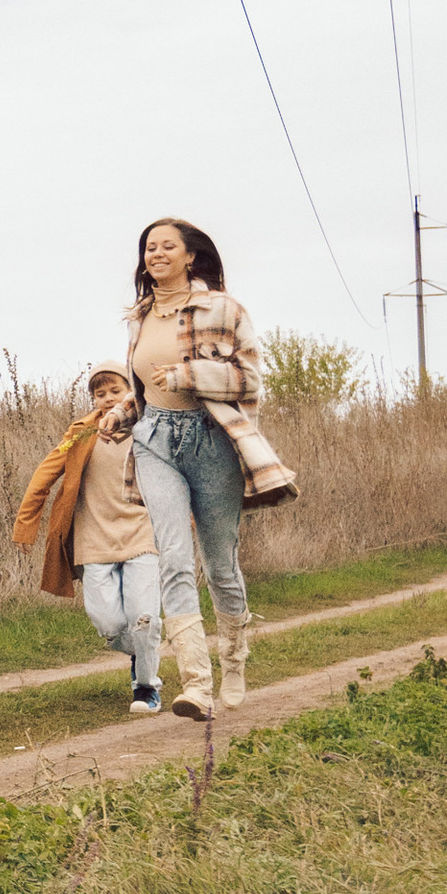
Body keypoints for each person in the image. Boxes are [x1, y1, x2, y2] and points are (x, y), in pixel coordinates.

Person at [100, 219, 297, 720]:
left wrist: (188, 374)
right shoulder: (140, 316)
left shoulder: (224, 309)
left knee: (220, 564)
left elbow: (249, 378)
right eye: (150, 247)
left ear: (191, 257)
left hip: (211, 439)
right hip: (155, 440)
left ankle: (234, 660)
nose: (156, 253)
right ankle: (195, 684)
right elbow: (144, 389)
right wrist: (121, 414)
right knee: (173, 556)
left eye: (168, 246)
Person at [13, 363, 165, 714]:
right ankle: (142, 651)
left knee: (145, 618)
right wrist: (26, 525)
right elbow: (44, 475)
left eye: (115, 390)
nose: (108, 398)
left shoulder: (149, 427)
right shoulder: (82, 433)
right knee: (109, 624)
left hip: (142, 533)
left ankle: (146, 687)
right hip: (93, 540)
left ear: (130, 390)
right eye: (100, 393)